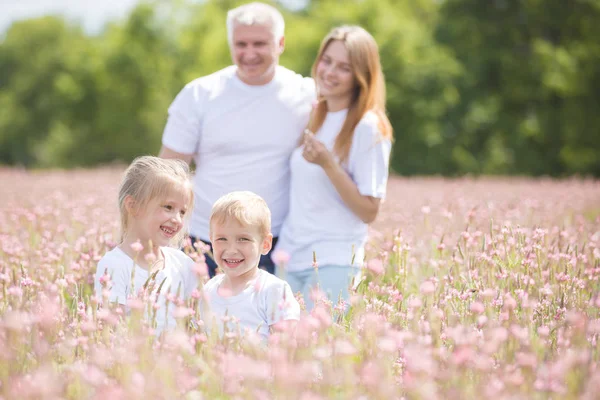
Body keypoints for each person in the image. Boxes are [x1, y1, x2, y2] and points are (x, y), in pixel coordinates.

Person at [159, 2, 315, 278]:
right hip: (204, 242)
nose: (249, 53)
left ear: (280, 43)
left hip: (273, 242)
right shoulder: (199, 95)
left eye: (260, 44)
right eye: (241, 44)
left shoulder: (304, 94)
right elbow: (168, 173)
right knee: (198, 320)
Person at [273, 26, 393, 311]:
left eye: (344, 68)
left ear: (361, 76)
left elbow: (369, 210)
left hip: (333, 261)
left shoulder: (367, 126)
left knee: (321, 352)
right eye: (326, 61)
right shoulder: (316, 115)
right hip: (290, 256)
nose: (329, 72)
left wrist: (329, 164)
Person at [93, 156, 199, 332]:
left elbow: (193, 323)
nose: (177, 220)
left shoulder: (183, 264)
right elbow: (109, 333)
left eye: (182, 211)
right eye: (168, 207)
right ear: (133, 206)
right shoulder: (114, 265)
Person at [199, 191, 300, 340]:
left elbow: (287, 348)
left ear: (265, 244)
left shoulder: (273, 290)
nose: (231, 249)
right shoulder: (208, 290)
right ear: (211, 240)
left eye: (243, 239)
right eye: (221, 239)